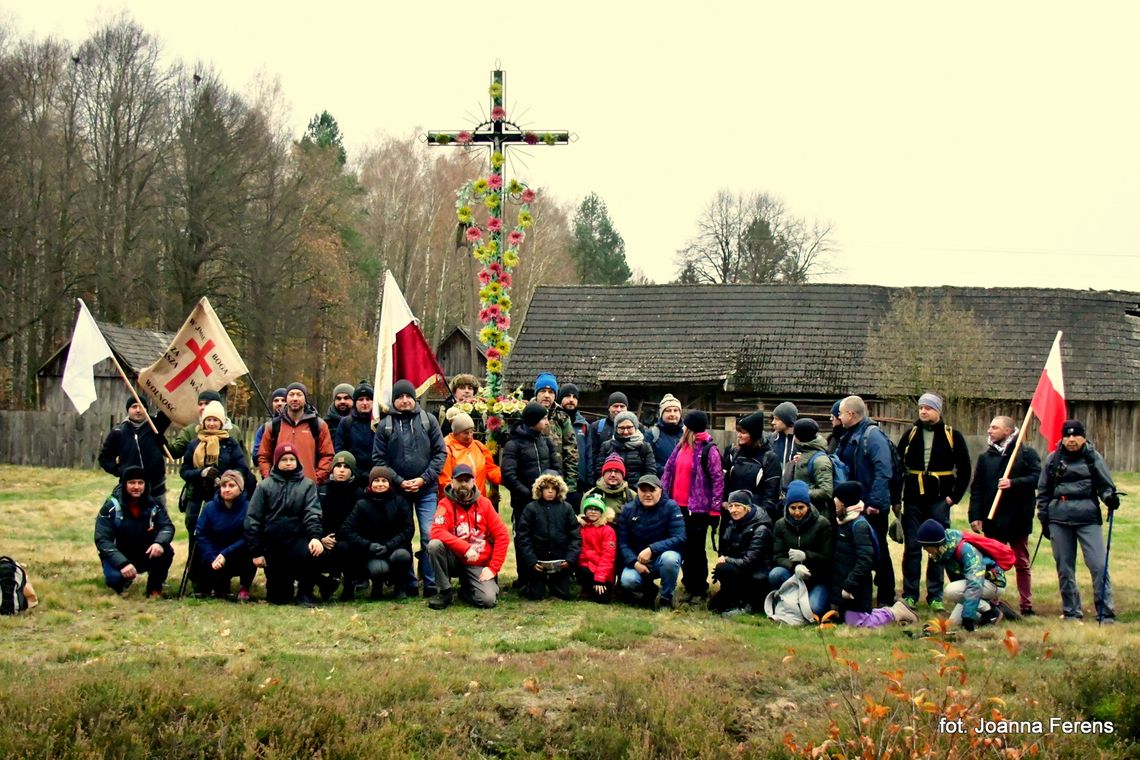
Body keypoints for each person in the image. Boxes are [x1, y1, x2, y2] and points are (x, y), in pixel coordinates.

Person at [1037, 419, 1121, 623]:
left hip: (1087, 518)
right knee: (1065, 568)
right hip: (1059, 519)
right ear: (1062, 438)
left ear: (1084, 437)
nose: (1071, 439)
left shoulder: (1093, 458)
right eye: (1067, 435)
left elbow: (1105, 485)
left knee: (1098, 565)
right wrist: (1044, 516)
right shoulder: (1053, 459)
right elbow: (1043, 491)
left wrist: (1109, 497)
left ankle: (1105, 612)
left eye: (1076, 435)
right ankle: (1072, 611)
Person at [372, 378, 448, 597]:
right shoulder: (385, 425)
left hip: (426, 489)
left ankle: (431, 582)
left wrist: (424, 479)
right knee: (402, 536)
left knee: (428, 534)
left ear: (414, 399)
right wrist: (398, 480)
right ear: (394, 401)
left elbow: (440, 453)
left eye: (408, 397)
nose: (404, 401)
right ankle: (408, 583)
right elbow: (379, 459)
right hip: (397, 491)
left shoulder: (428, 420)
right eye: (400, 397)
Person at [896, 392, 971, 612]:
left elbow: (965, 469)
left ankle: (935, 595)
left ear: (937, 411)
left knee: (938, 549)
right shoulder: (910, 435)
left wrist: (952, 498)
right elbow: (897, 467)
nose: (923, 411)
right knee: (912, 548)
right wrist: (896, 499)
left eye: (928, 408)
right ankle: (910, 594)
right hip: (912, 500)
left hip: (939, 501)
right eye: (921, 408)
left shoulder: (952, 436)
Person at [969, 416, 1042, 616]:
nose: (989, 431)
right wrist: (975, 515)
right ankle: (993, 600)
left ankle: (1026, 604)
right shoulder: (986, 457)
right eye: (990, 427)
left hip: (1018, 517)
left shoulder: (1025, 454)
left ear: (1008, 431)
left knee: (1021, 561)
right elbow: (977, 488)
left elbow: (1038, 478)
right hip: (994, 519)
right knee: (993, 562)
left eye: (994, 427)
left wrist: (1014, 483)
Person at [245, 442, 325, 606]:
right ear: (276, 462)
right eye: (284, 459)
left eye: (291, 459)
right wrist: (256, 551)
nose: (288, 463)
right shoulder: (264, 486)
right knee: (278, 598)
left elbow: (313, 512)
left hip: (298, 542)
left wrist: (315, 537)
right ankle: (281, 588)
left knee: (313, 551)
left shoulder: (308, 485)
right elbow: (253, 519)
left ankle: (305, 593)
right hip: (273, 545)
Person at [835, 395, 897, 607]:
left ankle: (887, 597)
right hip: (855, 503)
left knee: (878, 551)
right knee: (858, 550)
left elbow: (883, 470)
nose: (839, 417)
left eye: (841, 413)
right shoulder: (849, 434)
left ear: (851, 414)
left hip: (871, 506)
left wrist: (875, 503)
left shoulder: (873, 436)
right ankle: (861, 594)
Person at [830, 481, 917, 628]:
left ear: (845, 502)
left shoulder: (859, 526)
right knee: (845, 619)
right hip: (844, 588)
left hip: (856, 588)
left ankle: (895, 612)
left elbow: (865, 560)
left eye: (836, 499)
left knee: (859, 622)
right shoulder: (842, 522)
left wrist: (849, 585)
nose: (834, 502)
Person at [661, 410, 724, 605]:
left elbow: (717, 480)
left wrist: (714, 510)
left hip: (698, 509)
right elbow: (668, 470)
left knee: (697, 549)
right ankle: (688, 584)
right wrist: (663, 497)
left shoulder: (708, 449)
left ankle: (699, 588)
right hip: (676, 506)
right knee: (684, 547)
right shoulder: (680, 446)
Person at [427, 465, 511, 609]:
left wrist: (493, 568)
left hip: (477, 562)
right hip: (453, 559)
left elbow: (502, 536)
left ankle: (466, 590)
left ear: (473, 482)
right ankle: (445, 592)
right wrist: (465, 548)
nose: (463, 484)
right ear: (452, 482)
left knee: (488, 600)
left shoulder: (485, 504)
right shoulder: (444, 504)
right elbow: (436, 531)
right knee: (434, 545)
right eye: (459, 480)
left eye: (467, 480)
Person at [179, 400, 253, 564]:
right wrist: (201, 473)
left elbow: (242, 468)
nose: (211, 424)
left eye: (215, 420)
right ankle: (197, 576)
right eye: (208, 420)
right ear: (203, 421)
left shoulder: (229, 443)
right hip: (197, 497)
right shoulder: (195, 443)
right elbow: (184, 471)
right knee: (197, 535)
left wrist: (225, 479)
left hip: (222, 497)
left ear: (221, 422)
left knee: (221, 534)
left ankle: (220, 570)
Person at [94, 465, 175, 598]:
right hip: (119, 554)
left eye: (140, 483)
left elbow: (167, 527)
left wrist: (159, 543)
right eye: (132, 482)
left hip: (145, 552)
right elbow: (102, 540)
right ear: (124, 484)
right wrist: (123, 563)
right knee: (115, 579)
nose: (136, 487)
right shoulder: (110, 507)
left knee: (166, 551)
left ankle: (154, 588)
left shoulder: (154, 505)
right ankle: (122, 581)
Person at [341, 466, 415, 600]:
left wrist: (390, 545)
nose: (380, 484)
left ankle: (399, 587)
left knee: (402, 556)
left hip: (394, 549)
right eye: (376, 481)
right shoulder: (362, 504)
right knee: (378, 570)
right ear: (370, 483)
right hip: (372, 552)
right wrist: (367, 545)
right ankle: (377, 587)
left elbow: (408, 529)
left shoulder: (399, 501)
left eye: (384, 481)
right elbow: (347, 529)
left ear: (389, 483)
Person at [916, 519, 1005, 629]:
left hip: (993, 584)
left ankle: (991, 611)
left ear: (935, 544)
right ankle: (997, 610)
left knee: (951, 590)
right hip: (979, 584)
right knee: (953, 622)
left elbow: (975, 585)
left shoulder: (967, 551)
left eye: (925, 546)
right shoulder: (945, 551)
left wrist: (968, 619)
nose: (924, 549)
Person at [615, 474, 685, 610]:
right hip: (637, 561)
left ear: (660, 490)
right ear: (638, 491)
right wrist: (634, 562)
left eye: (652, 490)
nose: (648, 494)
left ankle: (666, 597)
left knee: (670, 559)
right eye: (643, 490)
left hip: (661, 559)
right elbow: (622, 542)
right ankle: (649, 590)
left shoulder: (671, 507)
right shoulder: (628, 510)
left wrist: (651, 549)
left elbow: (680, 537)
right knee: (627, 581)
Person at [769, 480, 833, 618]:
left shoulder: (822, 524)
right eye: (793, 508)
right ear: (787, 507)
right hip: (792, 576)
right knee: (775, 574)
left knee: (814, 608)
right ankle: (790, 599)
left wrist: (806, 556)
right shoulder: (780, 525)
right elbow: (777, 556)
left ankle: (803, 601)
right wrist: (794, 565)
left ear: (808, 506)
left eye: (801, 507)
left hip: (817, 576)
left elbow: (827, 556)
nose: (797, 512)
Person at [515, 471, 581, 600]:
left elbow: (575, 537)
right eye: (546, 488)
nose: (550, 491)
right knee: (535, 595)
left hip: (560, 562)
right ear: (540, 489)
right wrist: (531, 561)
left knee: (563, 595)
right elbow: (522, 537)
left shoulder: (567, 508)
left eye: (553, 488)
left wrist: (569, 559)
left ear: (559, 490)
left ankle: (559, 582)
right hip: (538, 562)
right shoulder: (530, 508)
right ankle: (530, 583)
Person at [193, 470, 256, 602]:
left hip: (237, 553)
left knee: (252, 548)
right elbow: (201, 533)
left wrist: (226, 554)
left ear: (240, 488)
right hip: (215, 555)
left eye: (231, 486)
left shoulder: (248, 508)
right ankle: (209, 586)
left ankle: (244, 587)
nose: (227, 490)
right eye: (224, 486)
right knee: (197, 550)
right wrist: (212, 557)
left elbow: (248, 535)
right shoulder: (210, 507)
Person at [709, 489, 773, 616]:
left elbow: (750, 561)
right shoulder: (733, 523)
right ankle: (733, 599)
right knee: (713, 607)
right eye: (730, 506)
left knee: (725, 567)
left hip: (757, 574)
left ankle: (746, 604)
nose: (733, 510)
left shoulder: (761, 529)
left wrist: (727, 560)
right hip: (741, 568)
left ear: (747, 508)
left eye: (738, 506)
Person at [257, 382, 335, 485]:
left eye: (299, 394)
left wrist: (316, 479)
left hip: (307, 489)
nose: (295, 398)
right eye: (291, 394)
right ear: (286, 399)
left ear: (305, 398)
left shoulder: (318, 425)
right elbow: (263, 456)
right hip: (278, 487)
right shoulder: (274, 426)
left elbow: (327, 455)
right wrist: (269, 479)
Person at [99, 396, 172, 504]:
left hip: (156, 487)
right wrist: (119, 470)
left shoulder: (155, 425)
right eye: (134, 407)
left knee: (159, 519)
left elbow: (171, 408)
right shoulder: (118, 431)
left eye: (141, 406)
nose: (138, 410)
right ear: (128, 410)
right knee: (133, 519)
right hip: (132, 488)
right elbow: (104, 458)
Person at [501, 401, 561, 519]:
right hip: (523, 503)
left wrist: (551, 489)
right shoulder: (513, 445)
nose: (547, 423)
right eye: (544, 419)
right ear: (534, 420)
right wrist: (529, 493)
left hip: (547, 501)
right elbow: (508, 475)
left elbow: (557, 469)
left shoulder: (547, 442)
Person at [316, 451, 362, 600]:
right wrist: (321, 538)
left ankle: (349, 585)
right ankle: (324, 583)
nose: (341, 470)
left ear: (352, 470)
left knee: (345, 548)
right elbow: (315, 518)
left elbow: (359, 522)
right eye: (338, 466)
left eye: (346, 467)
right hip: (325, 539)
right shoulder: (322, 491)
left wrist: (341, 537)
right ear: (332, 469)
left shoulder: (359, 493)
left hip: (349, 540)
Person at [722, 411, 781, 519]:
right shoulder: (733, 453)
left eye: (743, 432)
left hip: (755, 516)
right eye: (738, 431)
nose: (739, 435)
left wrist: (759, 515)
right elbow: (725, 482)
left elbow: (771, 495)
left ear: (753, 435)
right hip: (732, 513)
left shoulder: (769, 458)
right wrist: (725, 502)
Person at [167, 390, 248, 462]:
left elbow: (243, 458)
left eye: (206, 403)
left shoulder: (233, 430)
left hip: (228, 477)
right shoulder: (191, 430)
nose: (202, 407)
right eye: (200, 404)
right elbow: (175, 453)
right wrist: (161, 441)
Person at [532, 372, 579, 497]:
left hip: (556, 481)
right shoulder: (525, 414)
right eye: (543, 391)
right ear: (536, 393)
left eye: (551, 392)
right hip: (531, 480)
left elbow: (571, 453)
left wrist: (571, 485)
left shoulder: (562, 417)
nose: (547, 395)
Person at [439, 412, 501, 499]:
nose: (469, 436)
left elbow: (491, 469)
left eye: (471, 432)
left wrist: (507, 476)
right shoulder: (447, 449)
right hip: (456, 502)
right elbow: (444, 481)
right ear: (455, 433)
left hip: (479, 501)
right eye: (465, 433)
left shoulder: (479, 446)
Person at [786, 418, 834, 515]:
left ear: (798, 437)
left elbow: (826, 491)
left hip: (816, 514)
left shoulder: (820, 461)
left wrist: (800, 493)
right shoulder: (805, 453)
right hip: (801, 513)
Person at [576, 494, 616, 603]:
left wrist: (600, 579)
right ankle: (586, 588)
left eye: (597, 509)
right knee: (580, 568)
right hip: (585, 567)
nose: (593, 512)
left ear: (602, 512)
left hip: (602, 571)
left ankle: (599, 587)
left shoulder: (608, 530)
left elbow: (608, 557)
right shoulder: (580, 527)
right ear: (585, 510)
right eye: (590, 508)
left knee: (603, 600)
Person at [595, 411, 655, 484]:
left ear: (635, 427)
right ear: (616, 428)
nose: (626, 432)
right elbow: (599, 470)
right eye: (622, 428)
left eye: (629, 427)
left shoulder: (644, 447)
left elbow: (650, 471)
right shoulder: (607, 446)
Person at [559, 383, 591, 510]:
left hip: (578, 483)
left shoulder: (584, 425)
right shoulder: (553, 421)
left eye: (574, 397)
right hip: (558, 480)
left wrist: (588, 481)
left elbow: (588, 454)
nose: (571, 400)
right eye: (567, 396)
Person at [334, 382, 376, 478]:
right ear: (355, 402)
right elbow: (339, 450)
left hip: (376, 477)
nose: (364, 403)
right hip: (353, 476)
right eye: (361, 399)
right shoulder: (346, 423)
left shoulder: (379, 423)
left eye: (368, 399)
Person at [583, 454, 636, 523]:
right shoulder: (590, 495)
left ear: (623, 475)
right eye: (609, 471)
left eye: (617, 471)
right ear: (603, 474)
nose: (613, 475)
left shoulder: (632, 496)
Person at [588, 392, 630, 467]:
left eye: (622, 406)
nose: (619, 409)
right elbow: (591, 455)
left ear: (627, 408)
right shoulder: (596, 427)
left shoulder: (637, 428)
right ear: (609, 408)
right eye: (615, 406)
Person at [648, 394, 684, 477]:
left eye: (675, 410)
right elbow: (648, 462)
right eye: (668, 410)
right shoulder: (652, 435)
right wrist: (668, 471)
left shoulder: (687, 434)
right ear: (661, 414)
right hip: (661, 482)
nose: (672, 414)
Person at [253, 387, 287, 463]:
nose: (279, 403)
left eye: (283, 400)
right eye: (276, 400)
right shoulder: (265, 428)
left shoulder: (296, 426)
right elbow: (256, 457)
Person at [769, 402, 799, 468]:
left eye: (777, 419)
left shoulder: (801, 441)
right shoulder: (771, 440)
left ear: (787, 420)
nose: (773, 422)